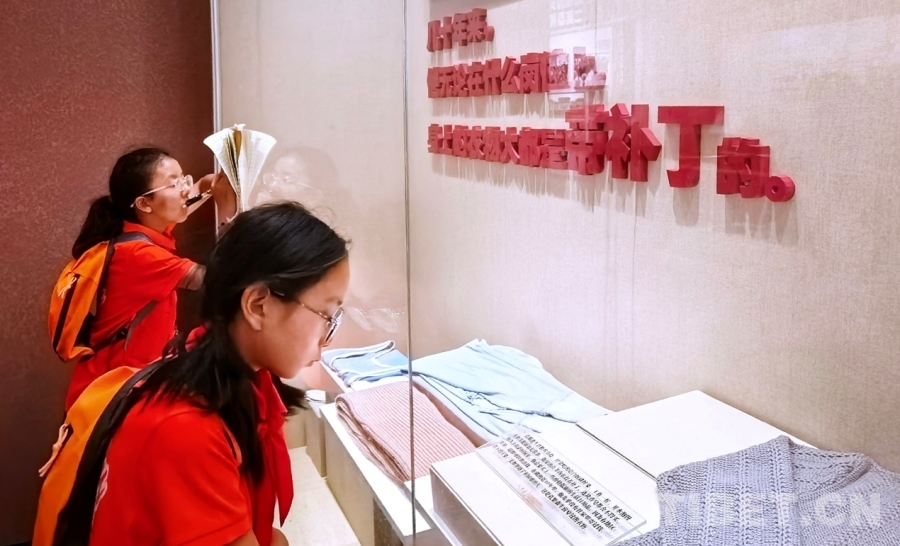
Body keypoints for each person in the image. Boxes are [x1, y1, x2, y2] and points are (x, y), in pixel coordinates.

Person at [89, 202, 350, 545]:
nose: (328, 338)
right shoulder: (186, 429)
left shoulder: (230, 373)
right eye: (326, 315)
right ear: (258, 306)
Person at [63, 147, 236, 410]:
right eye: (173, 183)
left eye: (183, 178)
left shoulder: (138, 228)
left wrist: (206, 185)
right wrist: (226, 211)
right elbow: (221, 278)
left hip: (124, 380)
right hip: (113, 394)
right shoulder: (140, 255)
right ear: (144, 203)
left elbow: (188, 201)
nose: (184, 189)